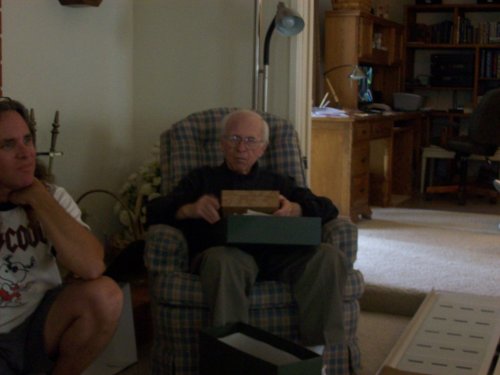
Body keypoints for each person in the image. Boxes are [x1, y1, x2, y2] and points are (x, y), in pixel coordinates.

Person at [147, 109, 348, 347]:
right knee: (224, 261)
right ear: (222, 144)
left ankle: (318, 356)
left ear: (263, 148)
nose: (241, 148)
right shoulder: (201, 179)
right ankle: (235, 357)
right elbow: (154, 210)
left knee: (327, 256)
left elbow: (328, 209)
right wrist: (189, 209)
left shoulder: (278, 181)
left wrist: (297, 208)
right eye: (234, 139)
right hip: (227, 256)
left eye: (250, 141)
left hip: (278, 258)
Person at [0, 97, 123, 375]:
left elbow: (91, 266)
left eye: (27, 140)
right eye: (8, 144)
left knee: (105, 295)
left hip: (41, 325)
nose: (26, 153)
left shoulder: (52, 197)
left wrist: (38, 198)